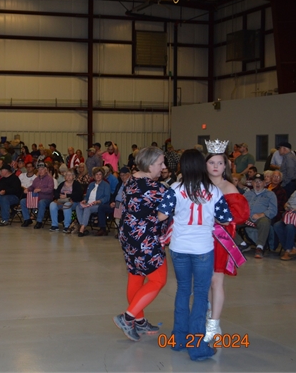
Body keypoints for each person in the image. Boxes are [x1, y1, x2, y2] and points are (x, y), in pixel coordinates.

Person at [157, 149, 233, 360]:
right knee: (200, 295)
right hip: (202, 249)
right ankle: (197, 346)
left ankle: (178, 339)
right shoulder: (214, 191)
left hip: (179, 247)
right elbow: (226, 219)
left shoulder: (175, 188)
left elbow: (161, 216)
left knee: (182, 290)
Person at [112, 147, 167, 342]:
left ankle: (139, 320)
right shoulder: (155, 188)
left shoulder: (130, 180)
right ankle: (128, 318)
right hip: (144, 238)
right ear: (150, 165)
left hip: (128, 235)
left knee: (136, 276)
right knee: (158, 279)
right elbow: (172, 204)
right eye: (160, 163)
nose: (164, 167)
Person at [204, 140, 250, 343]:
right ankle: (207, 314)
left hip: (219, 239)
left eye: (220, 163)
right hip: (198, 238)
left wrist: (217, 219)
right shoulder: (199, 185)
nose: (215, 166)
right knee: (203, 281)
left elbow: (240, 215)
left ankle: (214, 324)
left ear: (226, 166)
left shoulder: (229, 187)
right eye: (211, 162)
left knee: (216, 281)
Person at [274, 177, 296, 261]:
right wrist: (286, 206)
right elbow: (288, 203)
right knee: (277, 225)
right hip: (291, 216)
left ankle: (287, 251)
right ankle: (292, 247)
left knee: (290, 226)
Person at [75, 167, 110, 237]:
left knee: (87, 209)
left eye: (100, 174)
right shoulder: (91, 184)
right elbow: (87, 196)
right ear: (94, 176)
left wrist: (98, 201)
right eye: (96, 174)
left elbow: (107, 197)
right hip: (88, 203)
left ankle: (82, 228)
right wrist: (85, 200)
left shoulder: (106, 185)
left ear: (102, 175)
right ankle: (83, 226)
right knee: (78, 207)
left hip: (98, 204)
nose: (98, 176)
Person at [20, 165, 55, 229]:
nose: (40, 171)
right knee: (23, 201)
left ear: (45, 170)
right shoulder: (36, 179)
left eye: (42, 169)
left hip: (46, 198)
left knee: (41, 202)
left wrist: (40, 190)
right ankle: (27, 219)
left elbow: (50, 190)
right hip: (35, 198)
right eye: (39, 170)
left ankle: (39, 221)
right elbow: (32, 187)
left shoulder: (49, 179)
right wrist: (27, 189)